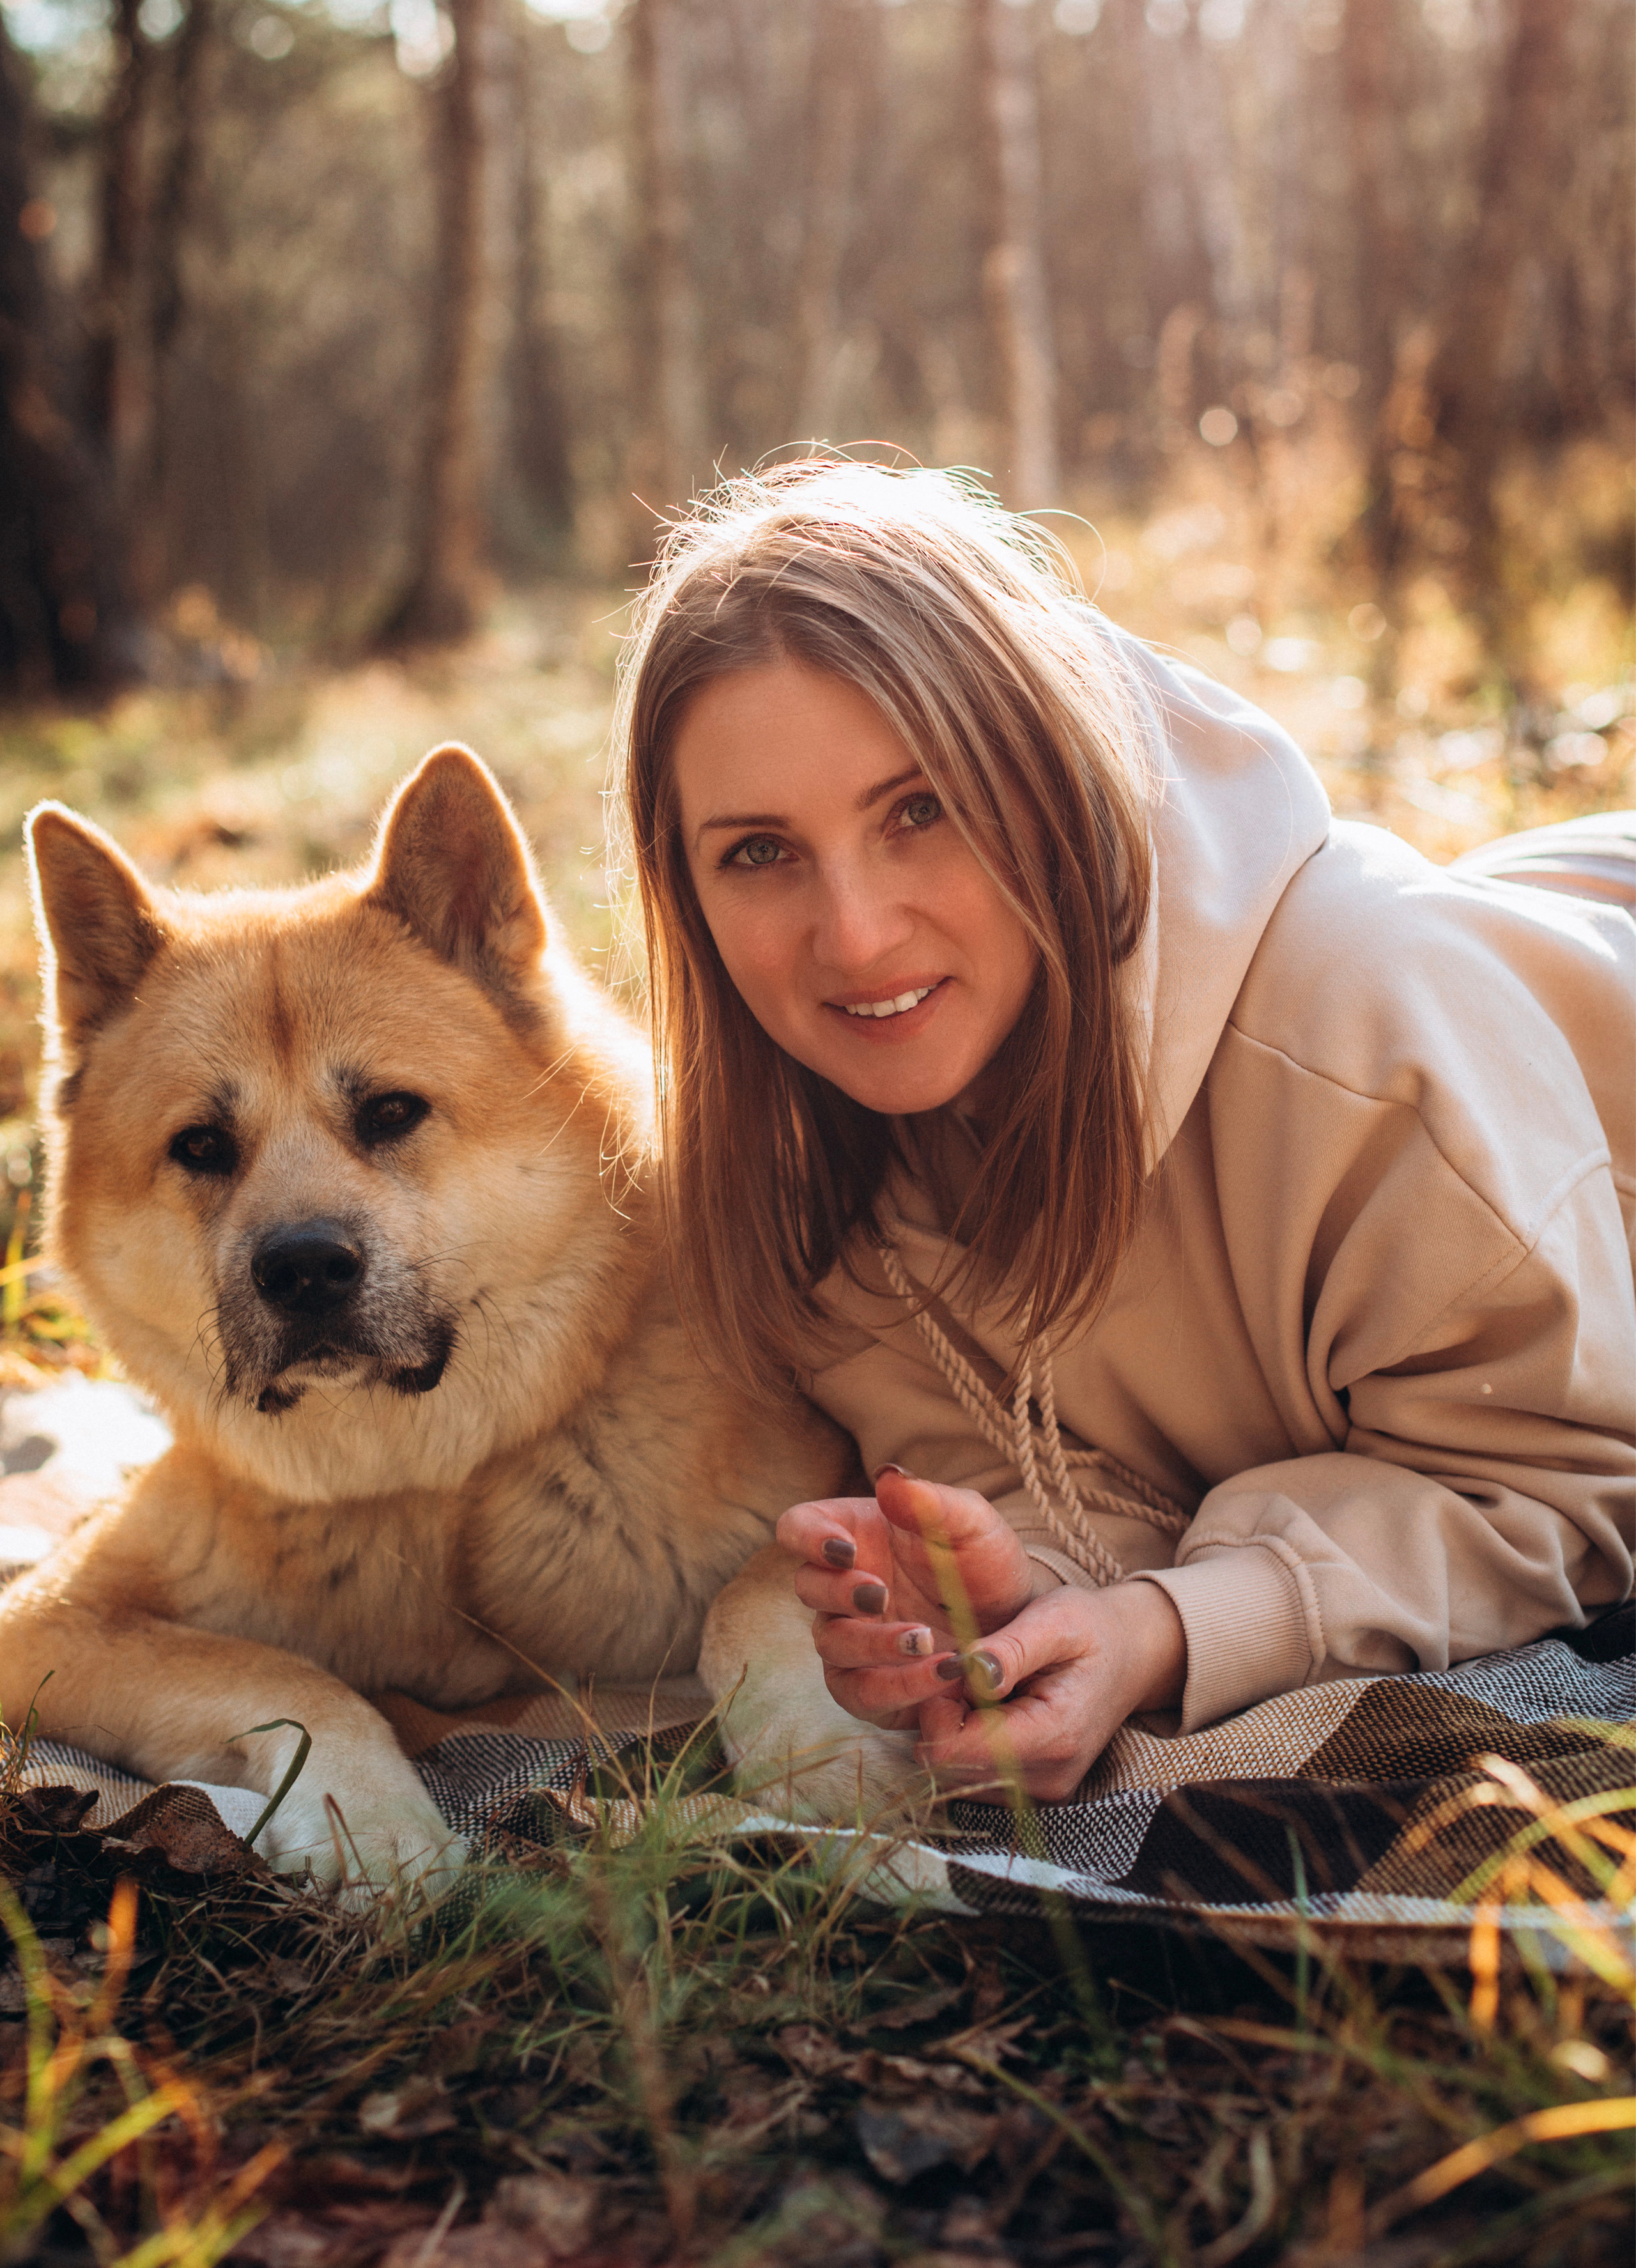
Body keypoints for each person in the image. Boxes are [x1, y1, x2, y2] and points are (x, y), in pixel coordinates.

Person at [610, 460, 1636, 1801]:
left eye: (920, 810)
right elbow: (1070, 1479)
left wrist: (1172, 1630)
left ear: (1041, 778)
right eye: (758, 851)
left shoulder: (1367, 1040)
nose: (852, 937)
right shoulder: (814, 1167)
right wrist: (1017, 1588)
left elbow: (1563, 1484)